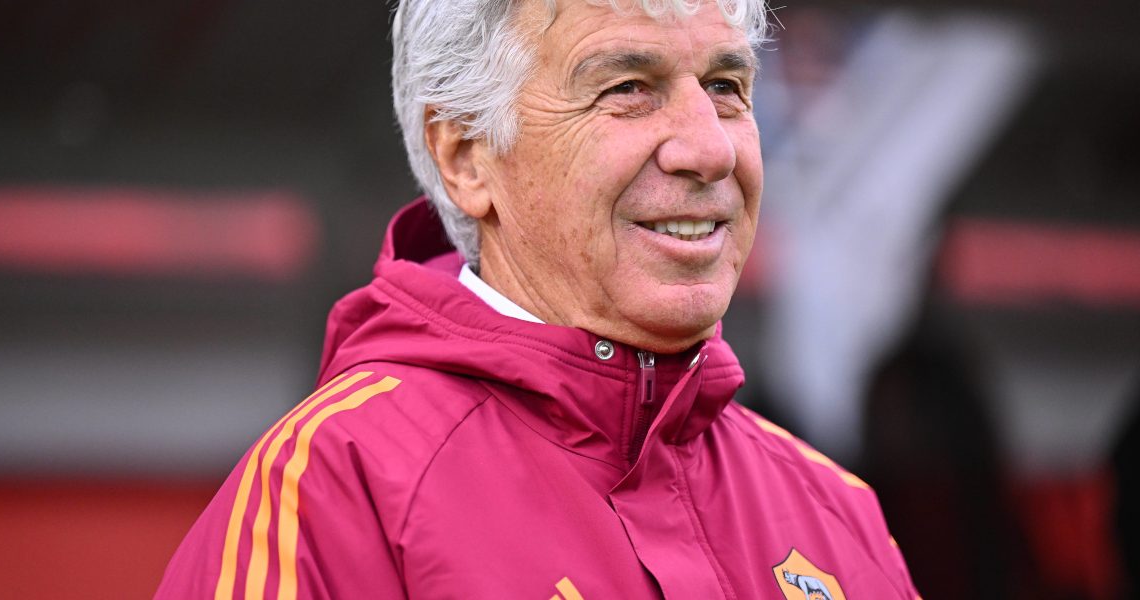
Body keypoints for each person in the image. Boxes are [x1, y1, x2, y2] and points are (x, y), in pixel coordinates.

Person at [156, 0, 919, 598]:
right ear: (465, 157)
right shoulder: (333, 487)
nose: (709, 147)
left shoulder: (833, 509)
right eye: (627, 88)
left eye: (725, 87)